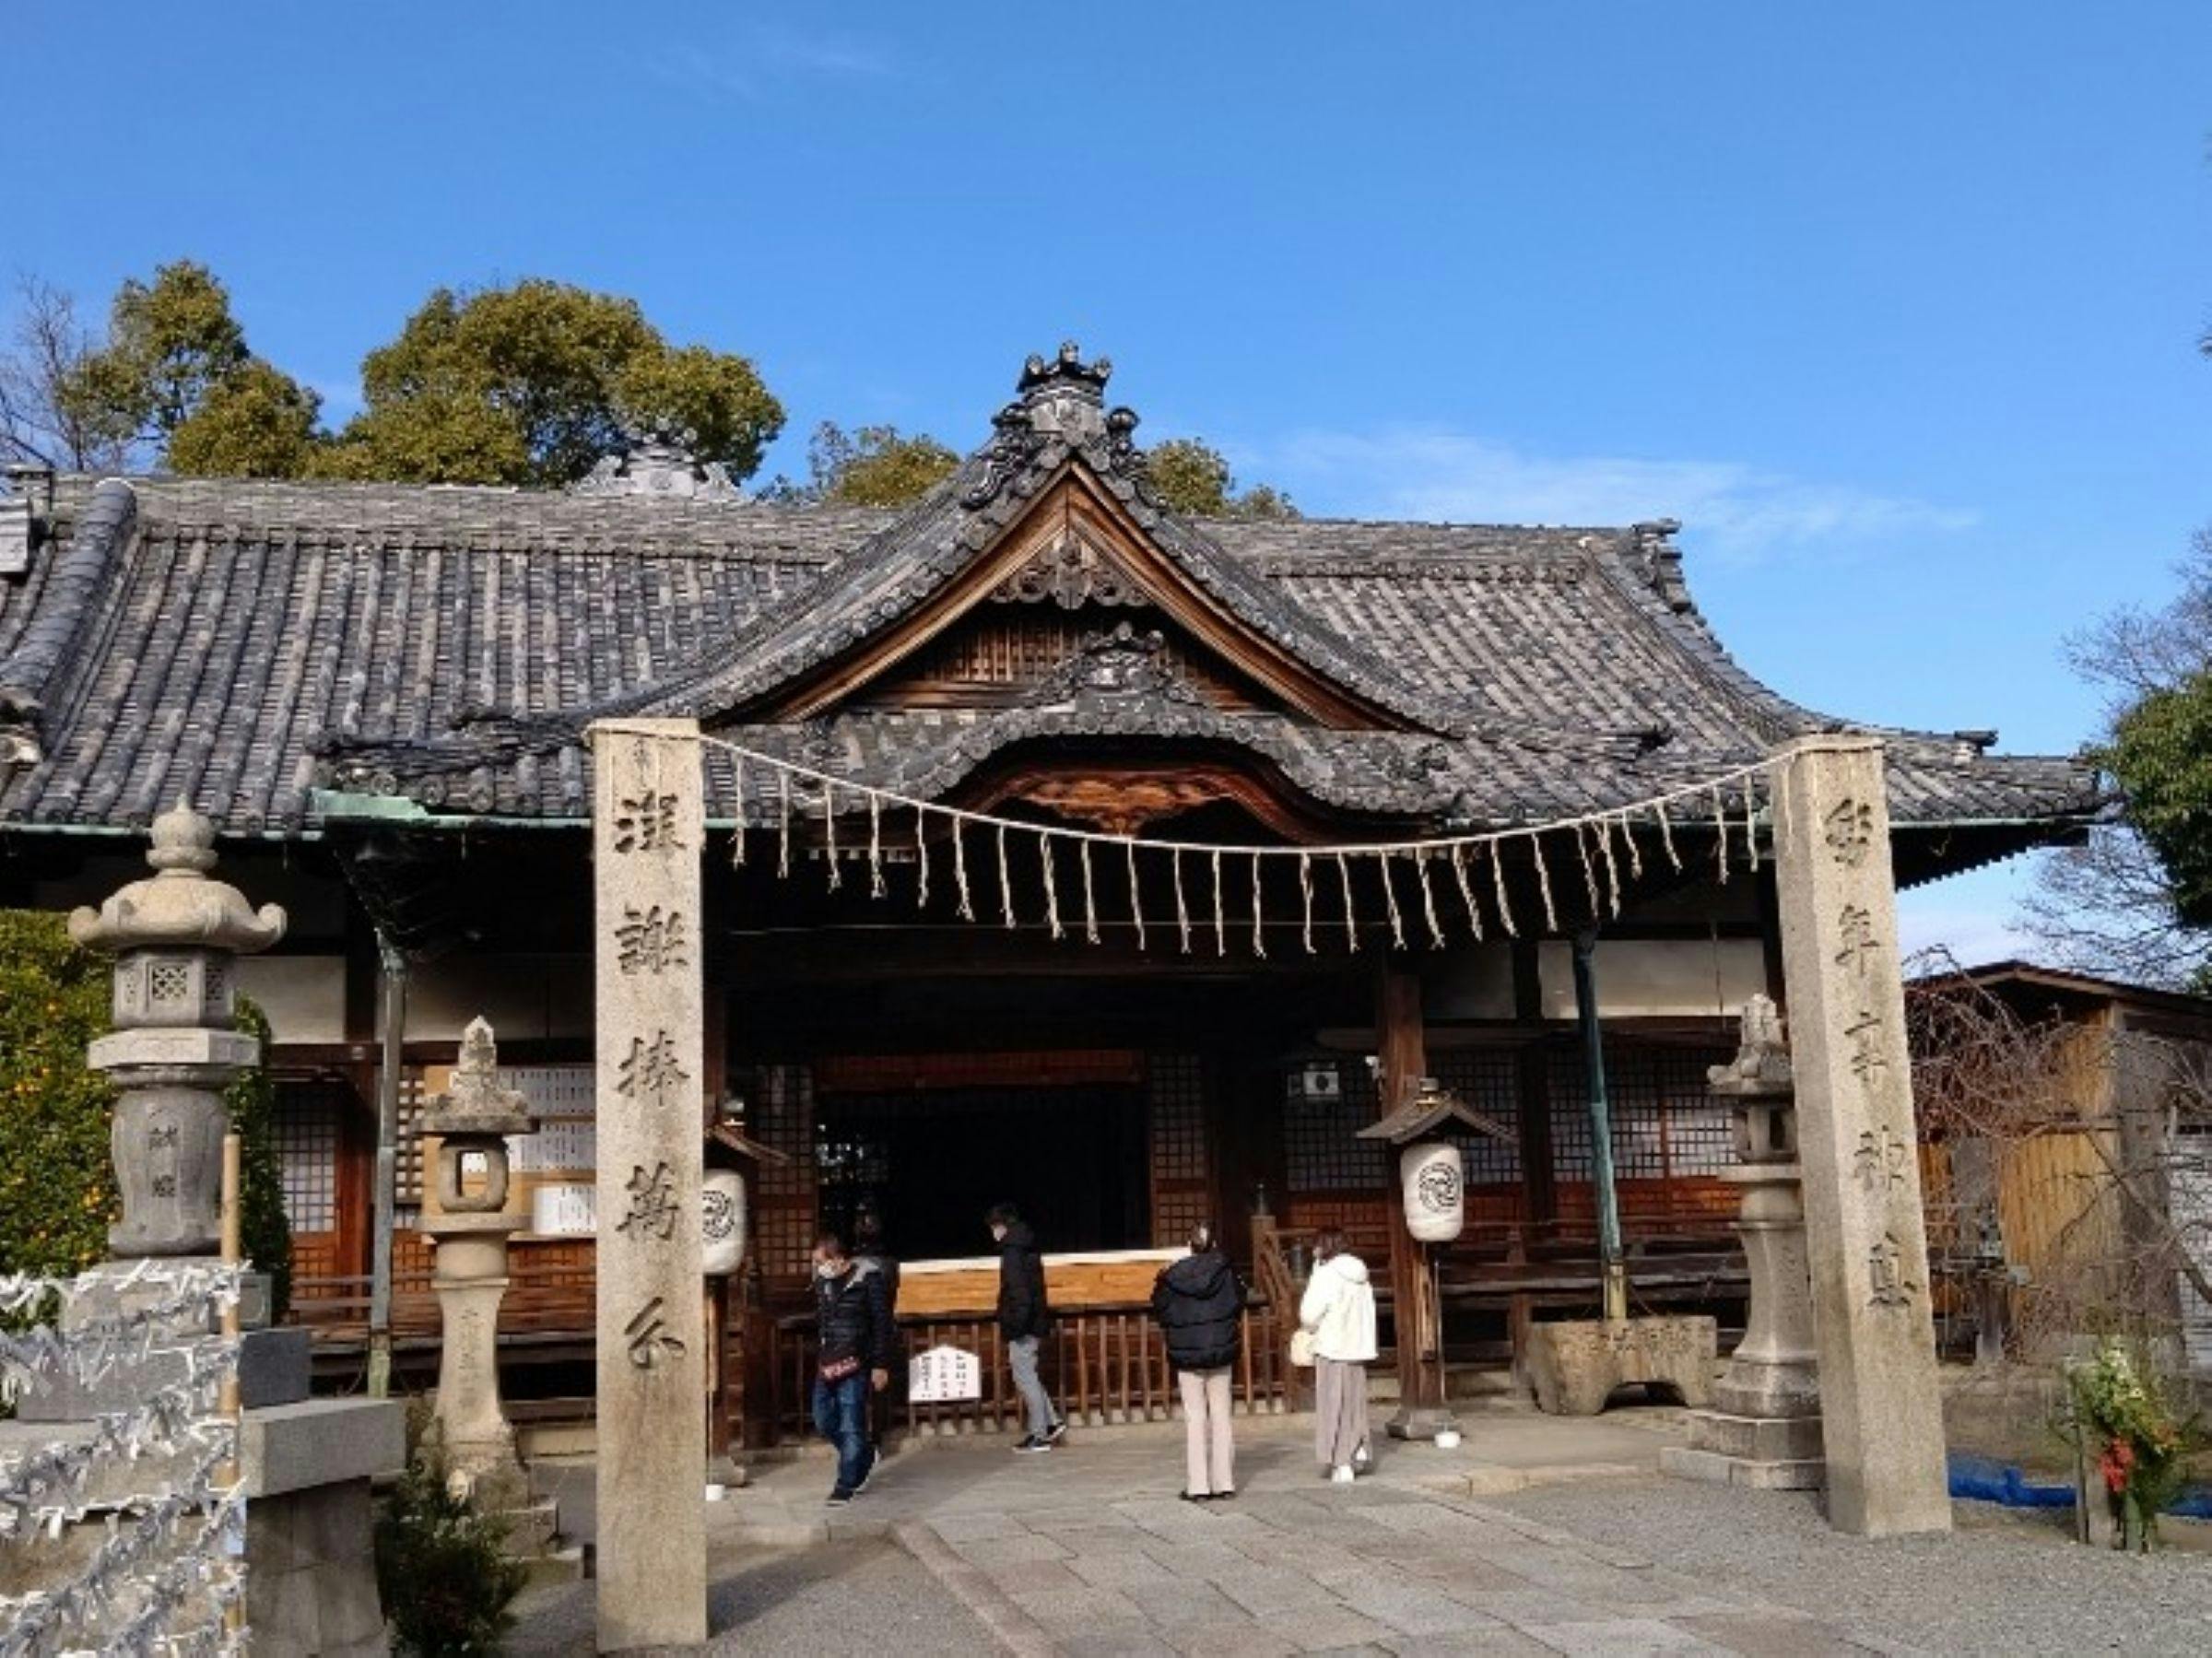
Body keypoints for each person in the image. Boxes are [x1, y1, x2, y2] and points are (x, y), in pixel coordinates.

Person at [1150, 1221, 1242, 1501]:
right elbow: (1238, 1301)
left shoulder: (1172, 1275)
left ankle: (1198, 1485)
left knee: (1195, 1417)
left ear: (1189, 1245)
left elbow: (1160, 1307)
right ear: (1213, 1244)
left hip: (1188, 1352)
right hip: (1220, 1348)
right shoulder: (1227, 1271)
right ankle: (1224, 1482)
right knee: (1221, 1414)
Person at [810, 1228, 895, 1505]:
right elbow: (823, 1321)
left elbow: (882, 1324)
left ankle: (846, 1483)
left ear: (840, 1257)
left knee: (851, 1424)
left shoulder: (868, 1279)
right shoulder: (822, 1282)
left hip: (857, 1361)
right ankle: (864, 1454)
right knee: (823, 1419)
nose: (820, 1266)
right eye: (817, 1262)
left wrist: (881, 1364)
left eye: (823, 1260)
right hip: (828, 1361)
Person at [1298, 1227, 1377, 1484]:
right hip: (1358, 1347)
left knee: (1334, 1405)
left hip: (1333, 1347)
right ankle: (1359, 1449)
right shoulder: (1361, 1274)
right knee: (1355, 1404)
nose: (1313, 1250)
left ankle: (1342, 1461)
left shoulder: (1327, 1274)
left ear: (1324, 1246)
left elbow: (1309, 1315)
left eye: (1316, 1245)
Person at [988, 1202, 1065, 1452]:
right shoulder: (1027, 1245)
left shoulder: (1012, 1252)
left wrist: (1016, 1325)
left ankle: (1039, 1433)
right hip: (1034, 1320)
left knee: (1024, 1376)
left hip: (1023, 1324)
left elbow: (1019, 1293)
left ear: (1001, 1225)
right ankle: (1051, 1423)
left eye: (994, 1226)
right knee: (1028, 1373)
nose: (993, 1232)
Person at [853, 1208, 901, 1459]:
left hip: (862, 1331)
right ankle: (875, 1438)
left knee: (862, 1387)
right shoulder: (889, 1264)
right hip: (879, 1328)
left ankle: (868, 1439)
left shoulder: (856, 1265)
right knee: (877, 1388)